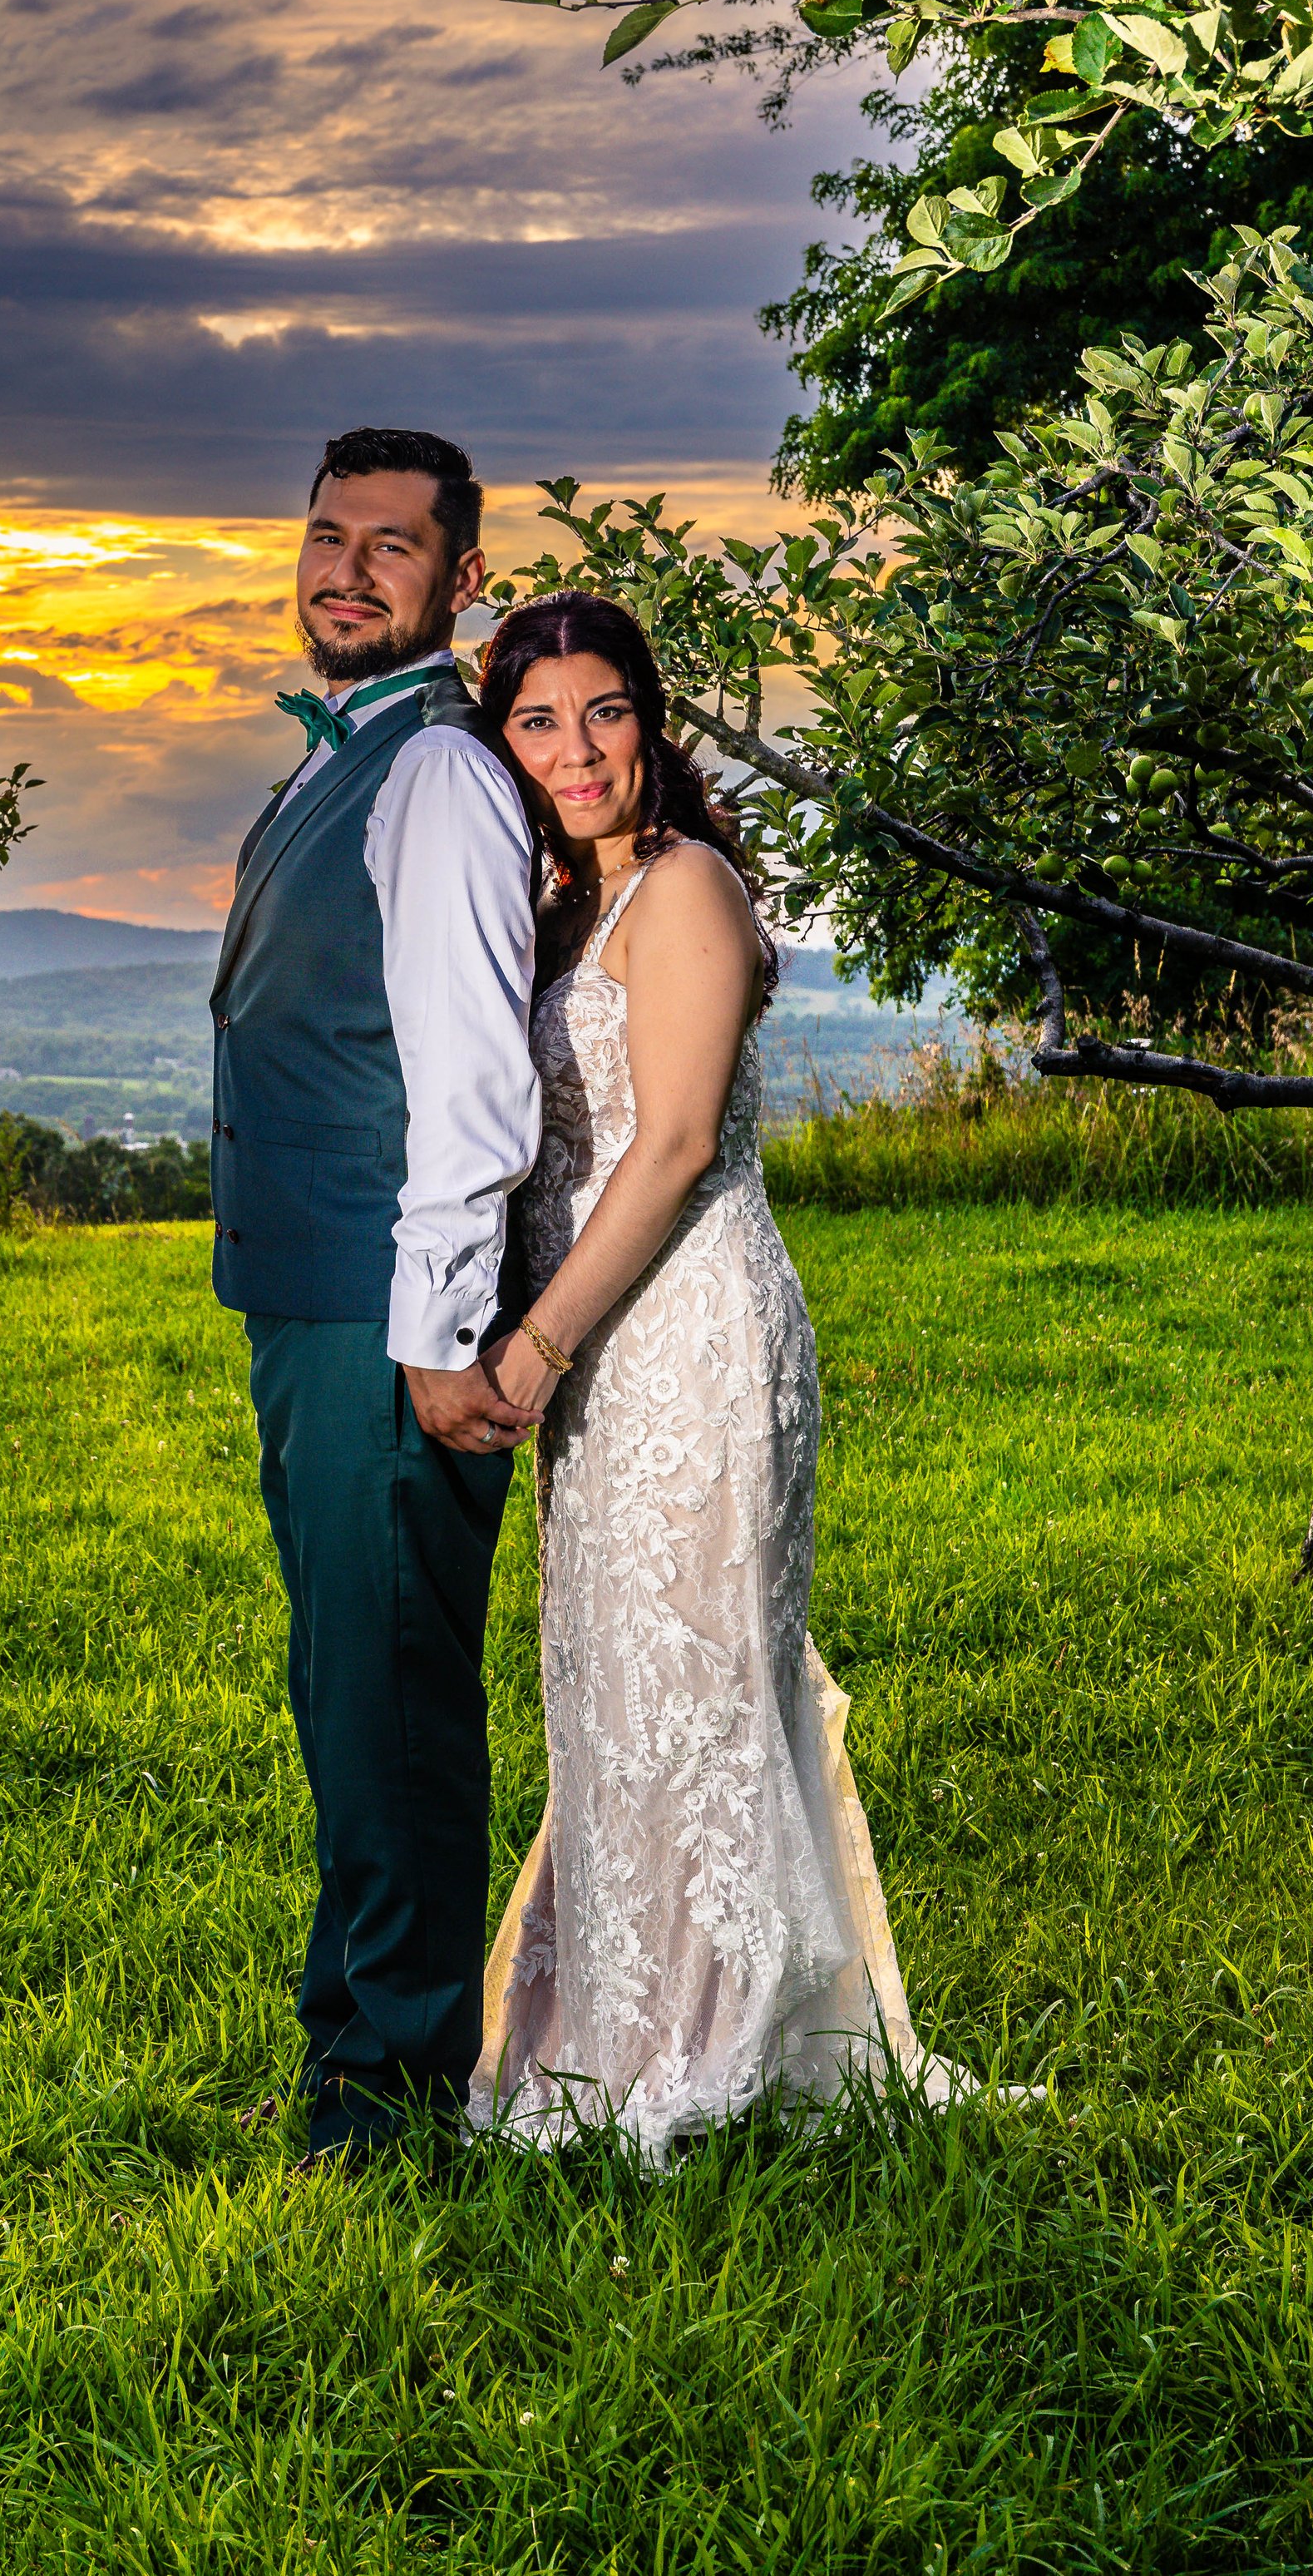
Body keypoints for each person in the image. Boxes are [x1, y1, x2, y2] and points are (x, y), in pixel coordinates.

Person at [467, 590, 965, 2158]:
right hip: (603, 1339)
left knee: (694, 1674)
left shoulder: (685, 885)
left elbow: (674, 1144)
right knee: (616, 1683)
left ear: (650, 717)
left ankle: (718, 2048)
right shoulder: (573, 901)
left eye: (602, 710)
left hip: (686, 1331)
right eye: (536, 720)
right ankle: (616, 2027)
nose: (575, 748)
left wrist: (536, 1346)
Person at [210, 426, 542, 2168]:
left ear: (458, 580)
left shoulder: (432, 776)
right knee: (342, 1680)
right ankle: (354, 2044)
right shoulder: (330, 765)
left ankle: (394, 2091)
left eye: (389, 546)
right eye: (325, 536)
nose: (345, 569)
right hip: (311, 1300)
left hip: (381, 1319)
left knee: (389, 1693)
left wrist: (432, 1339)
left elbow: (474, 1084)